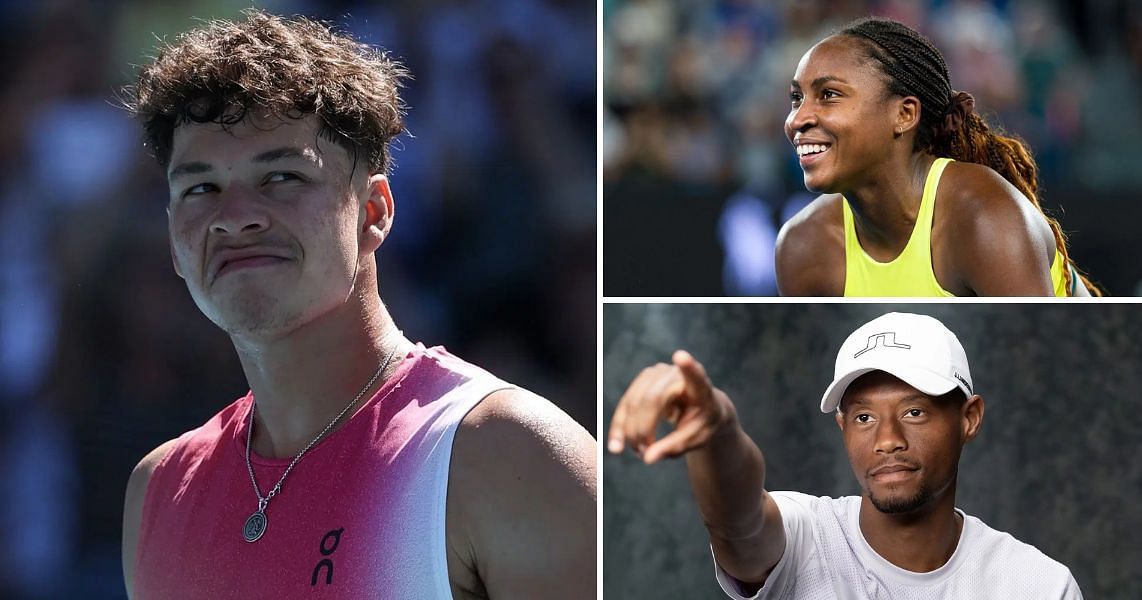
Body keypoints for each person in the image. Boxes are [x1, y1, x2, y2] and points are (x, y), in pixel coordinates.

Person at [119, 11, 595, 599]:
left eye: (282, 177)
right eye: (200, 188)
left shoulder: (505, 455)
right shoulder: (159, 491)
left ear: (374, 212)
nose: (234, 216)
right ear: (172, 240)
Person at [607, 312, 1083, 598]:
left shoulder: (1036, 585)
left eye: (914, 412)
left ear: (969, 418)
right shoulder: (805, 538)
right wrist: (718, 431)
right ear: (842, 426)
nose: (887, 439)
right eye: (863, 418)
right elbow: (739, 523)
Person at [774, 17, 1099, 297]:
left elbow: (1040, 363)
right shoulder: (803, 246)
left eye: (828, 95)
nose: (797, 119)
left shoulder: (984, 217)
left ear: (904, 114)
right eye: (796, 98)